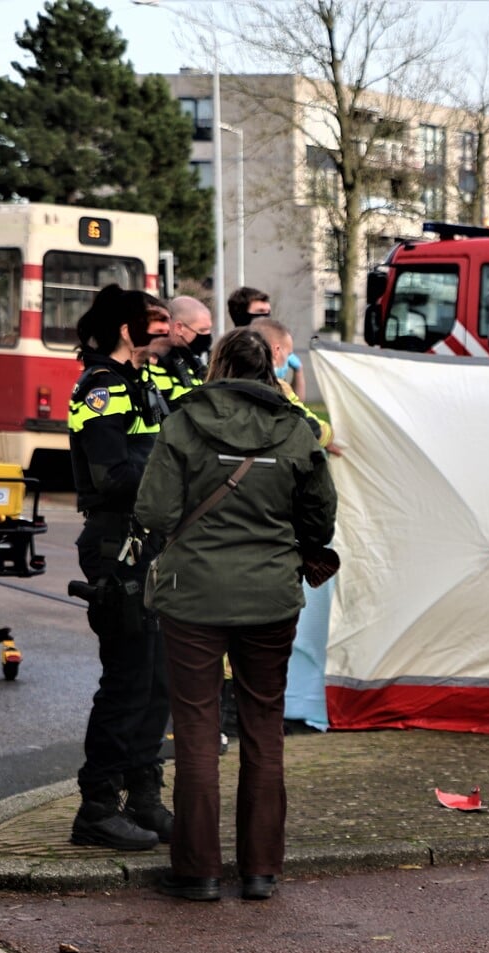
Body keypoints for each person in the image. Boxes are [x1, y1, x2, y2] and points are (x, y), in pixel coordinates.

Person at [134, 328, 337, 902]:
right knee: (264, 727)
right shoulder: (297, 430)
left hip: (193, 593)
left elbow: (153, 509)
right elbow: (320, 521)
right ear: (271, 367)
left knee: (197, 729)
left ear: (218, 363)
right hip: (271, 595)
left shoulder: (182, 422)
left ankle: (198, 871)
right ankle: (260, 870)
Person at [67, 285, 176, 851]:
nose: (165, 328)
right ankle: (97, 808)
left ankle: (145, 796)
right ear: (126, 331)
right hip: (117, 544)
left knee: (157, 681)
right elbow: (112, 475)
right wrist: (177, 480)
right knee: (127, 683)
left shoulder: (141, 380)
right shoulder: (101, 387)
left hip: (151, 542)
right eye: (153, 321)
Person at [252, 317, 340, 454]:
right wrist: (329, 436)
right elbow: (309, 424)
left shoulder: (226, 378)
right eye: (289, 354)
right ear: (276, 351)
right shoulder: (278, 388)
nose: (289, 360)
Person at [147, 296, 214, 401]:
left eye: (209, 330)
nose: (207, 336)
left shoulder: (190, 360)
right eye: (202, 330)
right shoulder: (151, 361)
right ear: (179, 328)